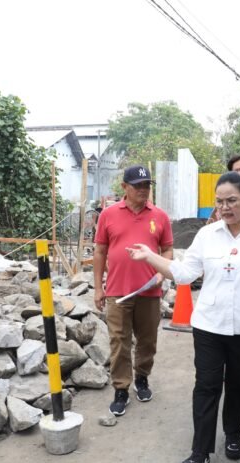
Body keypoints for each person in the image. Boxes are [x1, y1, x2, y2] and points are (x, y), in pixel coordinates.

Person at [127, 171, 240, 463]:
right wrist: (150, 257)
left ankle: (234, 434)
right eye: (220, 202)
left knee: (239, 384)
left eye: (232, 201)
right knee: (207, 386)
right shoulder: (207, 235)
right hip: (210, 325)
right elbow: (185, 274)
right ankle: (200, 453)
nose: (225, 207)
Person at [93, 165, 174, 416]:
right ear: (124, 188)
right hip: (117, 291)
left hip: (149, 290)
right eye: (138, 185)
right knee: (119, 341)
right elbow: (100, 251)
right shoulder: (108, 215)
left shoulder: (159, 216)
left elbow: (167, 250)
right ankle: (121, 388)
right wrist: (98, 287)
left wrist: (161, 273)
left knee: (147, 340)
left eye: (147, 185)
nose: (143, 190)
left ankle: (142, 378)